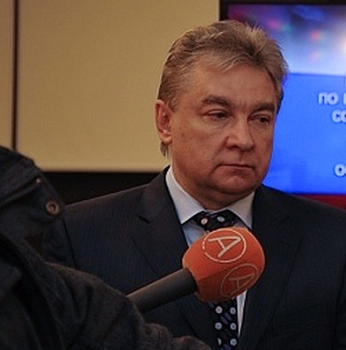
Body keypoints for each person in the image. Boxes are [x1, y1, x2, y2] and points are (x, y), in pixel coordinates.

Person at [43, 20, 346, 350]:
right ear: (165, 121)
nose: (244, 139)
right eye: (219, 115)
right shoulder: (81, 236)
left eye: (261, 119)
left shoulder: (330, 238)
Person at [0, 145, 209, 350]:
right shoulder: (76, 230)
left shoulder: (29, 271)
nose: (230, 140)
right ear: (164, 125)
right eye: (216, 122)